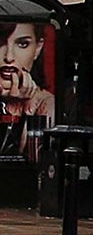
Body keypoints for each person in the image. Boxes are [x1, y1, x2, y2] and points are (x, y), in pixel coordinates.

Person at [0, 17, 55, 160]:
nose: (9, 57)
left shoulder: (45, 103)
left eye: (22, 44)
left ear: (38, 48)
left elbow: (37, 162)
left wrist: (24, 110)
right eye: (0, 43)